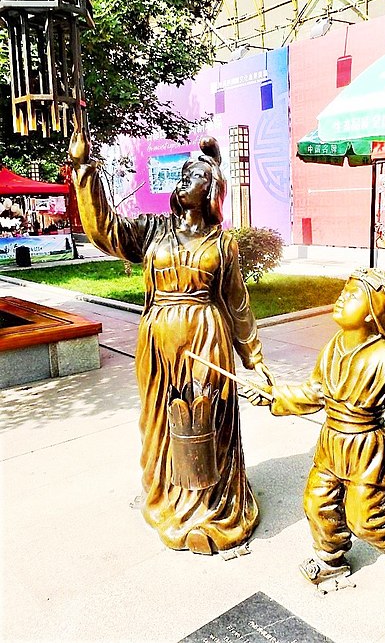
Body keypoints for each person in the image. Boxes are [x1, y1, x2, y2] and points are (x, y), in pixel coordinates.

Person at [69, 130, 274, 555]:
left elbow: (236, 302)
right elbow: (105, 230)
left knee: (205, 421)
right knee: (162, 421)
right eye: (183, 174)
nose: (185, 180)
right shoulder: (152, 231)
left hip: (206, 338)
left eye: (195, 175)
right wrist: (85, 171)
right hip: (158, 343)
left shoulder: (223, 243)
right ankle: (169, 497)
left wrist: (254, 357)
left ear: (211, 190)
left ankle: (211, 507)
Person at [245, 268, 385, 589]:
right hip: (331, 443)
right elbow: (315, 392)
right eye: (343, 291)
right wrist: (274, 395)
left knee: (364, 518)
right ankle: (330, 557)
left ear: (373, 312)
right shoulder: (333, 347)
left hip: (366, 450)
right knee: (318, 502)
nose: (342, 297)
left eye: (353, 295)